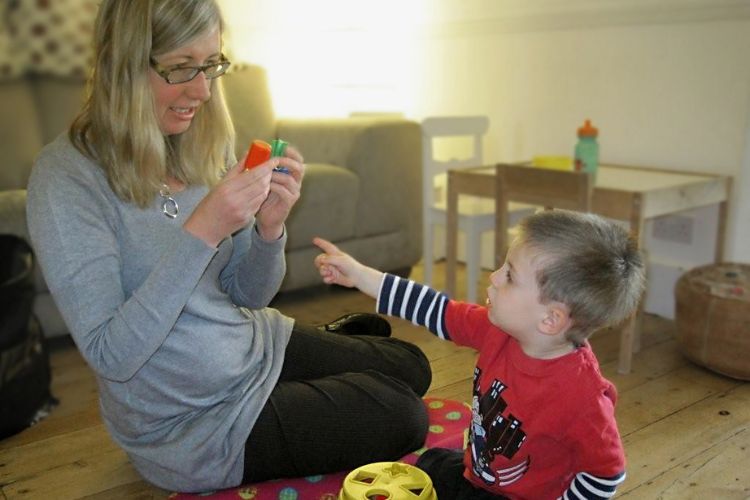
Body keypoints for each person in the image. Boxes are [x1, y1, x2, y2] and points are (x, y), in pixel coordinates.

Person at [25, 0, 431, 493]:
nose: (201, 91)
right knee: (402, 412)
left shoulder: (197, 142)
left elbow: (248, 296)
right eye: (180, 69)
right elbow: (112, 355)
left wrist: (269, 230)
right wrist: (203, 230)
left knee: (413, 366)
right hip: (195, 423)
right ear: (123, 64)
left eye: (212, 65)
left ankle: (326, 363)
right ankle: (331, 364)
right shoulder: (65, 179)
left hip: (251, 346)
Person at [314, 209, 646, 500]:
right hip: (477, 473)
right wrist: (359, 275)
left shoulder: (583, 398)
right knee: (428, 467)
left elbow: (606, 475)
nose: (494, 276)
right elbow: (437, 310)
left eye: (510, 276)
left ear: (550, 319)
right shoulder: (498, 328)